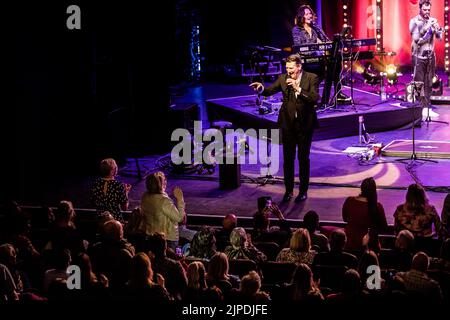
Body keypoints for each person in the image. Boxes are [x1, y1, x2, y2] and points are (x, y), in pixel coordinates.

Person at [250, 54, 319, 203]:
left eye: (291, 68)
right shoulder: (282, 79)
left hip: (304, 125)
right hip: (288, 125)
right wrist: (261, 89)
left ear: (299, 67)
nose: (289, 71)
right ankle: (288, 191)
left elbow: (314, 98)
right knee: (288, 159)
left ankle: (303, 191)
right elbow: (269, 90)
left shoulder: (311, 78)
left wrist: (298, 88)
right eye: (287, 68)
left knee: (303, 159)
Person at [292, 4, 350, 107]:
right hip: (305, 60)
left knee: (336, 63)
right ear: (302, 17)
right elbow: (299, 47)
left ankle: (338, 93)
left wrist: (335, 43)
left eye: (310, 13)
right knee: (321, 67)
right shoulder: (297, 30)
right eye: (306, 14)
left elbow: (326, 41)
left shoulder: (315, 28)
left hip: (317, 59)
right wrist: (316, 48)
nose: (309, 15)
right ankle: (310, 96)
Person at [409, 0, 443, 117]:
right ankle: (420, 107)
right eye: (425, 10)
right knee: (419, 83)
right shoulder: (414, 21)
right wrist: (428, 28)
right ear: (420, 9)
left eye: (428, 10)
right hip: (418, 56)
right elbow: (417, 39)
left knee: (429, 82)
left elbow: (439, 38)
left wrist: (438, 30)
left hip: (430, 56)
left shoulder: (432, 20)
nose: (427, 12)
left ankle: (427, 107)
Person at [140, 171, 185, 251]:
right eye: (164, 181)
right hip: (167, 238)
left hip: (151, 235)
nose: (166, 182)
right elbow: (179, 218)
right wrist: (180, 199)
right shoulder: (164, 201)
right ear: (160, 184)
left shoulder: (145, 196)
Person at [342, 177, 388, 252]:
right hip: (370, 246)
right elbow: (384, 227)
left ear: (361, 188)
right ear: (374, 190)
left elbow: (344, 219)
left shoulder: (349, 201)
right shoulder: (377, 206)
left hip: (350, 243)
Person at [89, 158, 131, 222]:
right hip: (115, 221)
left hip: (100, 220)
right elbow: (124, 208)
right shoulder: (118, 185)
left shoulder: (95, 184)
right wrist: (126, 192)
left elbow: (92, 203)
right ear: (113, 171)